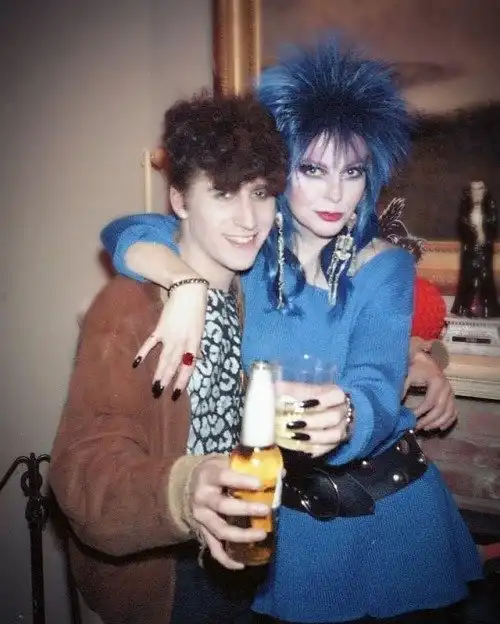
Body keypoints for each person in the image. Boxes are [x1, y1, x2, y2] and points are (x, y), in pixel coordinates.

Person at [100, 39, 481, 623]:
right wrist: (184, 283)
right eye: (313, 169)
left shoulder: (385, 268)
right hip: (288, 525)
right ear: (280, 170)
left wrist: (351, 413)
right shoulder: (244, 254)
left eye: (352, 172)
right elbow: (130, 230)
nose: (336, 194)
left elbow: (376, 382)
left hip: (393, 523)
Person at [49, 92, 290, 624]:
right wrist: (185, 491)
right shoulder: (131, 306)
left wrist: (421, 352)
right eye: (222, 193)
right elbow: (82, 474)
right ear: (179, 200)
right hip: (168, 580)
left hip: (250, 554)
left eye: (259, 193)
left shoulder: (255, 290)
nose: (248, 218)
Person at [452, 180, 500, 317]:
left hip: (484, 252)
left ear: (484, 191)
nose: (477, 192)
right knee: (468, 279)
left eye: (480, 189)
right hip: (470, 252)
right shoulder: (465, 211)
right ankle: (463, 308)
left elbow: (492, 229)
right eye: (474, 189)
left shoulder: (489, 210)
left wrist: (483, 235)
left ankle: (488, 309)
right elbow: (462, 229)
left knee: (485, 279)